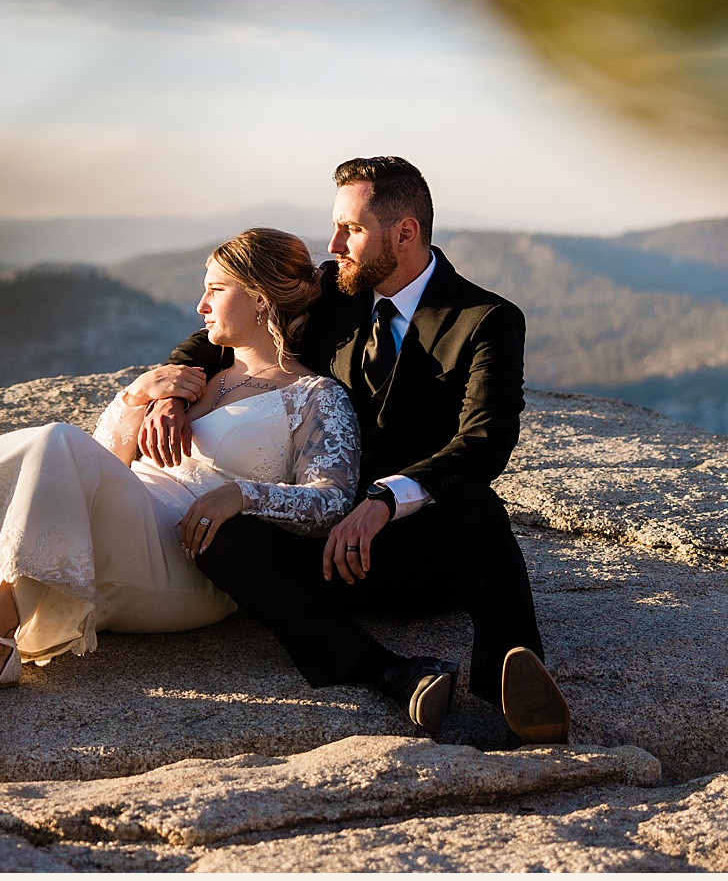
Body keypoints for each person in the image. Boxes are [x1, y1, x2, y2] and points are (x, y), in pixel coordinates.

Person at [0, 228, 360, 698]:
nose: (201, 305)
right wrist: (140, 395)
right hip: (127, 523)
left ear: (261, 299)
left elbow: (333, 502)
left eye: (215, 289)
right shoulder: (194, 381)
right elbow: (100, 459)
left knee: (53, 441)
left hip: (193, 563)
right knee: (24, 447)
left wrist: (244, 495)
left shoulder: (315, 396)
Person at [130, 156, 571, 743]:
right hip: (320, 545)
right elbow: (225, 324)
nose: (333, 244)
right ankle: (391, 674)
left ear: (405, 233)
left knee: (476, 504)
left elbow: (484, 443)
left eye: (353, 231)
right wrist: (174, 394)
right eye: (336, 226)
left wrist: (386, 499)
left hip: (418, 553)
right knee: (220, 528)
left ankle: (515, 684)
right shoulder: (333, 292)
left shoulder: (484, 320)